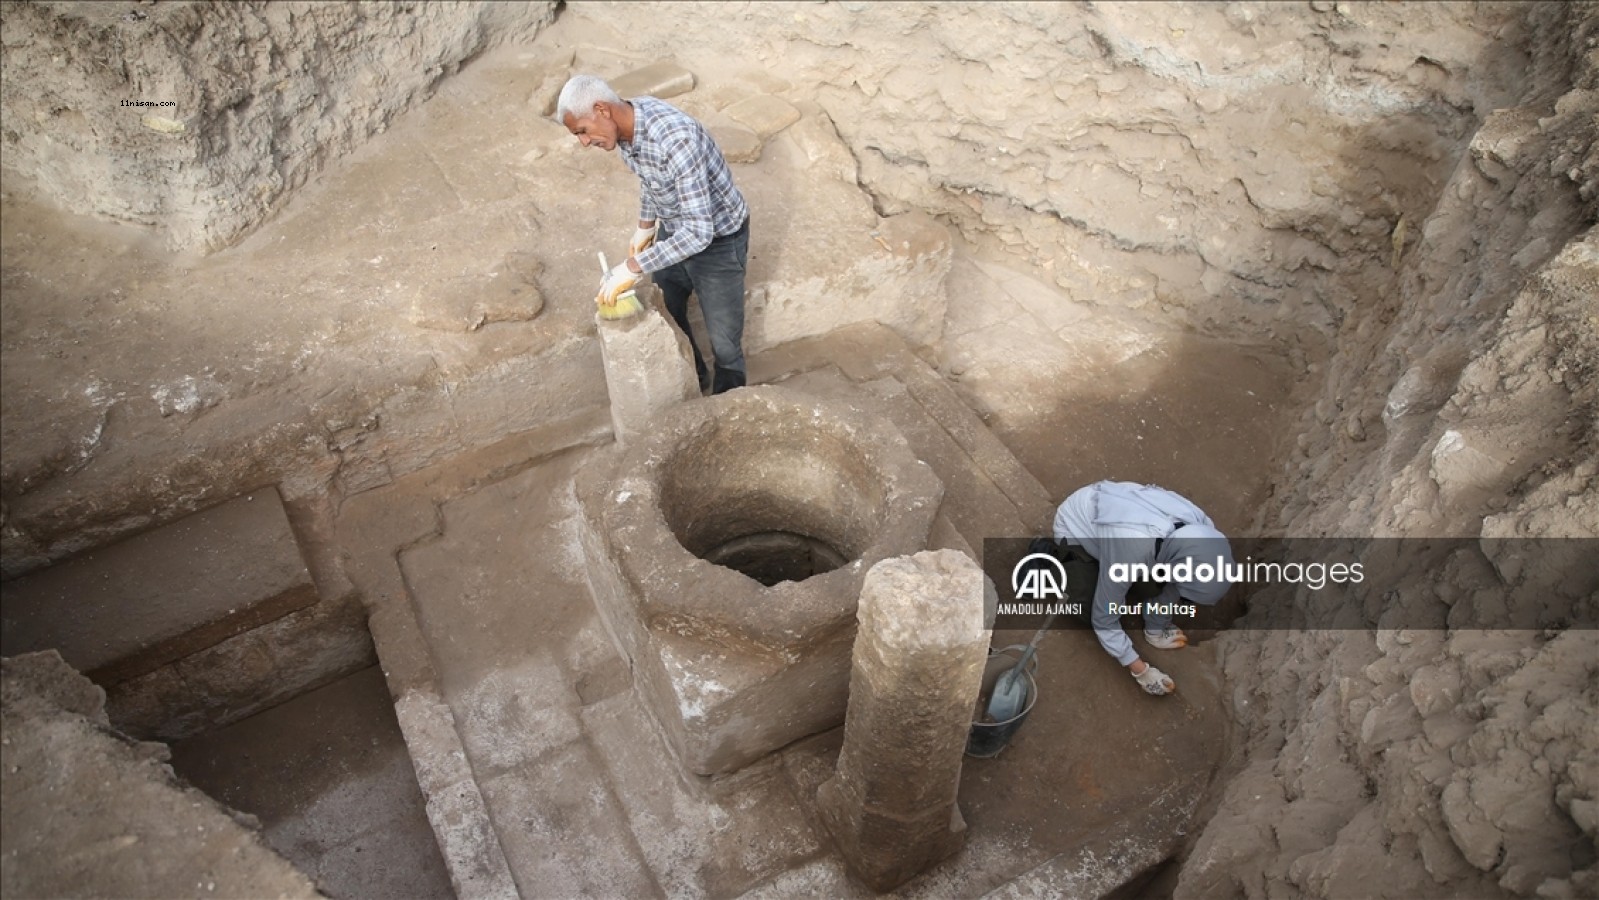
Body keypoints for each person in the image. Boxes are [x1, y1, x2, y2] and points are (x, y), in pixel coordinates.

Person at [555, 74, 751, 394]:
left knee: (725, 342)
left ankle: (728, 405)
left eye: (582, 131)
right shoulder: (627, 131)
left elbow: (700, 232)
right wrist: (644, 228)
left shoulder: (676, 140)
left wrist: (633, 267)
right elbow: (652, 181)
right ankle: (695, 379)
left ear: (602, 110)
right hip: (674, 231)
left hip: (717, 241)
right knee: (669, 311)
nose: (584, 142)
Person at [1051, 480, 1236, 696]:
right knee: (1088, 606)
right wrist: (1140, 669)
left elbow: (1177, 584)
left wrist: (1156, 629)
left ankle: (1151, 624)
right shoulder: (1132, 552)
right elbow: (1104, 618)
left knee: (1152, 587)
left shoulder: (1202, 530)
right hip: (1076, 527)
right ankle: (1060, 560)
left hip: (1126, 526)